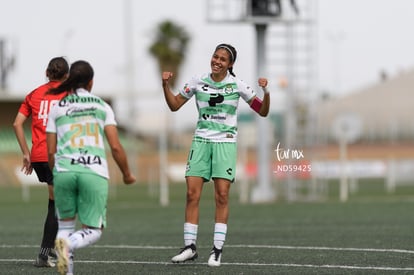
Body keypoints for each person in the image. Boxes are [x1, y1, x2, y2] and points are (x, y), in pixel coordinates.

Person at [162, 43, 270, 267]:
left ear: (230, 64)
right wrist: (165, 84)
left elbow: (263, 110)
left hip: (225, 143)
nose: (217, 61)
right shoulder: (197, 81)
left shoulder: (237, 85)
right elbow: (174, 105)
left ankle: (217, 250)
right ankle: (189, 247)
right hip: (200, 142)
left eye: (222, 59)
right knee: (192, 194)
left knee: (222, 195)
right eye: (215, 56)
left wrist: (266, 92)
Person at [45, 60, 136, 275]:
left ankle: (66, 257)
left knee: (65, 227)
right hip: (93, 171)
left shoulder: (58, 107)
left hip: (64, 171)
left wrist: (57, 173)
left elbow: (50, 151)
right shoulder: (101, 106)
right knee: (94, 230)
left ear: (69, 79)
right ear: (91, 82)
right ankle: (71, 243)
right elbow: (115, 146)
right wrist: (127, 174)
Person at [13, 57, 69, 268]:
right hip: (58, 156)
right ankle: (46, 254)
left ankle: (48, 252)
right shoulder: (69, 95)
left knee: (56, 203)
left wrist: (26, 153)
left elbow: (17, 123)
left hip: (38, 156)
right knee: (59, 205)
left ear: (47, 72)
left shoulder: (34, 95)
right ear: (66, 75)